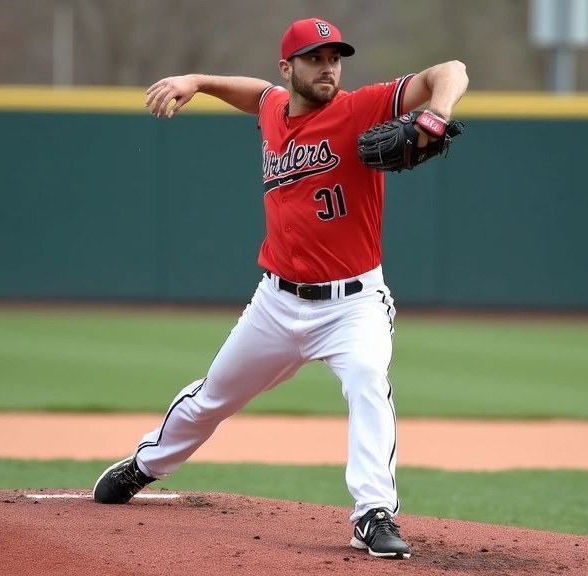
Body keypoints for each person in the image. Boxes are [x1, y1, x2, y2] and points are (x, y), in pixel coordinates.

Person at [92, 17, 468, 561]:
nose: (328, 68)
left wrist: (437, 114)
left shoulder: (360, 108)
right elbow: (256, 94)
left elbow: (450, 70)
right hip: (276, 302)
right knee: (212, 398)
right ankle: (145, 465)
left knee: (367, 380)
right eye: (315, 59)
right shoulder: (274, 109)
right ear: (288, 69)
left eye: (334, 58)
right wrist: (197, 81)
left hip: (353, 304)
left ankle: (373, 513)